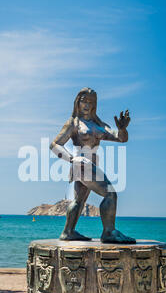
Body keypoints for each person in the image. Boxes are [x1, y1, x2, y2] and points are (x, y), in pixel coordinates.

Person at [50, 87, 136, 243]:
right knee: (110, 193)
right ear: (77, 102)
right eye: (84, 101)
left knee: (79, 201)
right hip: (82, 165)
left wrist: (122, 129)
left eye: (91, 102)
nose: (87, 105)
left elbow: (121, 138)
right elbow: (54, 145)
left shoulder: (98, 123)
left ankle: (68, 232)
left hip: (91, 164)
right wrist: (71, 159)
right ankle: (108, 232)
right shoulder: (74, 122)